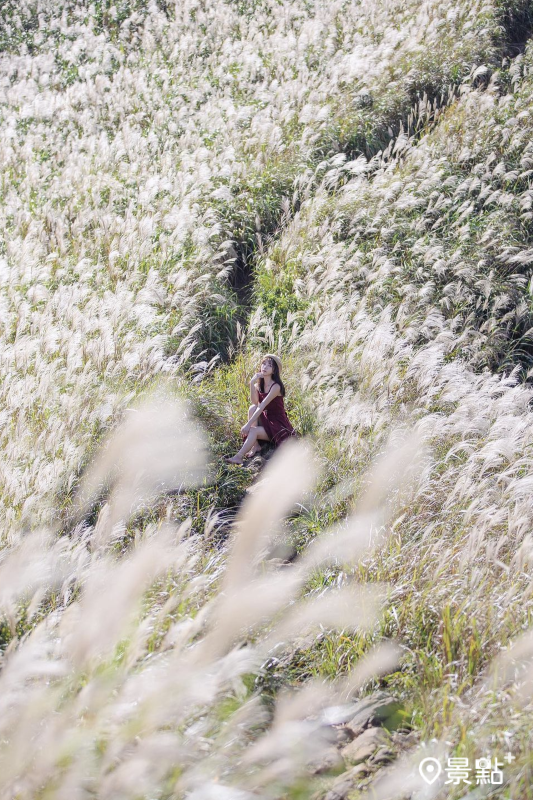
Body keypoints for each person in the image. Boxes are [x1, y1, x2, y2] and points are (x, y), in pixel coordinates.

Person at [224, 354, 298, 465]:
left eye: (269, 365)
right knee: (252, 408)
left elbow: (262, 405)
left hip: (277, 423)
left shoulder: (276, 386)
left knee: (253, 429)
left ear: (274, 370)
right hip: (266, 419)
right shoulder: (260, 384)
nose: (264, 367)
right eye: (263, 364)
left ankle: (238, 457)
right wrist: (252, 383)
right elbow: (255, 402)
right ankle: (256, 445)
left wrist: (248, 425)